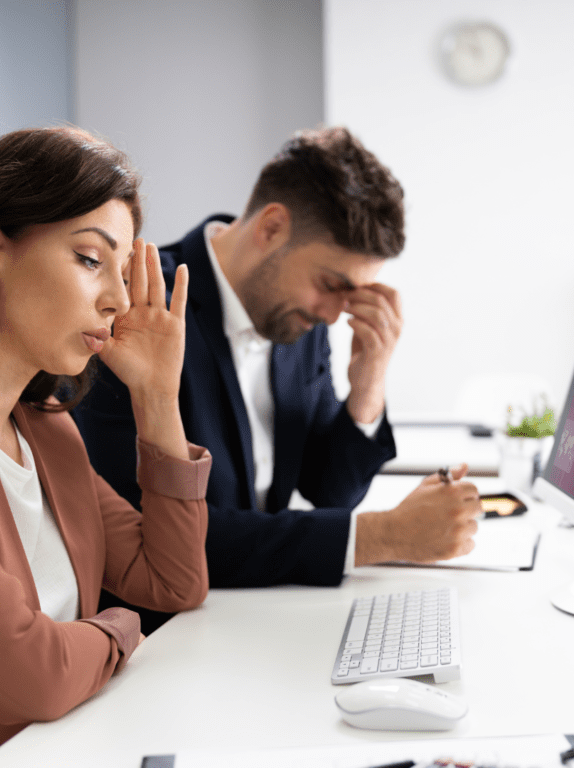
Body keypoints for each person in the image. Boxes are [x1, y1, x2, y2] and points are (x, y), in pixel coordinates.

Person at [74, 126, 480, 606]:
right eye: (330, 284)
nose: (334, 315)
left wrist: (369, 382)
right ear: (271, 228)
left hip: (259, 607)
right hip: (161, 628)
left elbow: (329, 491)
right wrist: (383, 535)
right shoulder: (138, 311)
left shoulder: (296, 321)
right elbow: (152, 529)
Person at [0, 127, 212, 762]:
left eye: (122, 268)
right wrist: (117, 628)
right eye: (89, 259)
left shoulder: (48, 432)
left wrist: (158, 398)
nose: (117, 299)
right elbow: (34, 676)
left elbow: (174, 583)